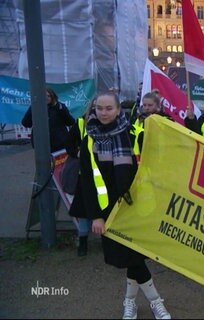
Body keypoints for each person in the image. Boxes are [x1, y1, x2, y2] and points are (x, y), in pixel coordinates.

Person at [69, 91, 171, 319]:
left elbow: (160, 159)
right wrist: (95, 216)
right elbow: (87, 181)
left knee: (133, 257)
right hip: (108, 211)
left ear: (118, 110)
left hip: (137, 207)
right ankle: (153, 303)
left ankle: (135, 303)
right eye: (99, 108)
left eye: (108, 108)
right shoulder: (89, 139)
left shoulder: (134, 133)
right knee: (130, 258)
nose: (103, 113)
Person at [64, 97, 96, 256]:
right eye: (97, 107)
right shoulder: (81, 122)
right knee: (83, 210)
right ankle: (83, 241)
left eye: (105, 107)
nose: (100, 111)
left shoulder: (114, 125)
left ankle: (108, 240)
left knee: (104, 209)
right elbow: (69, 143)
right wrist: (77, 153)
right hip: (85, 175)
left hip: (104, 175)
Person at [21, 87, 76, 153]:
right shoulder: (35, 107)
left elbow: (70, 122)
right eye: (43, 96)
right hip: (41, 144)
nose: (46, 98)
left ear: (53, 97)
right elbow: (26, 123)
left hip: (59, 144)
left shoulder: (59, 107)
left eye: (48, 96)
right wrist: (32, 109)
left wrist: (61, 109)